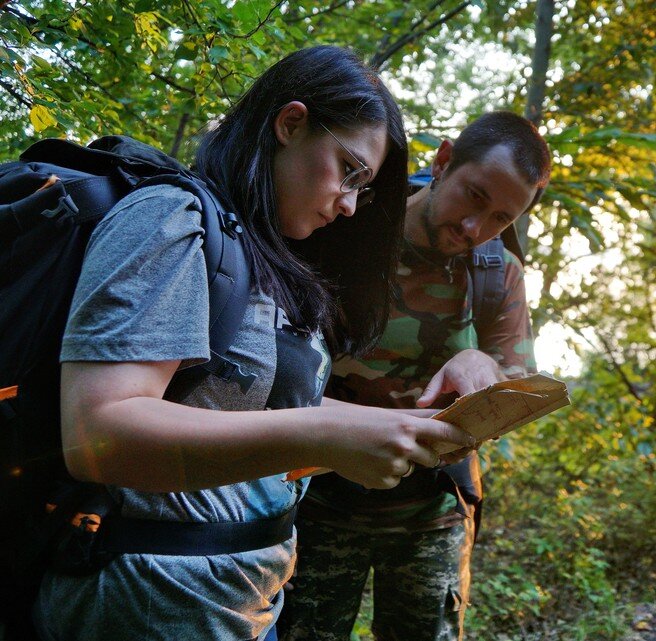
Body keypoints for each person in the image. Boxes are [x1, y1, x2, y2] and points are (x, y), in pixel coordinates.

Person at [32, 46, 474, 641]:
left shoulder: (266, 255)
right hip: (148, 603)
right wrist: (329, 436)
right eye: (348, 169)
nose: (348, 204)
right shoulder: (169, 216)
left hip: (239, 605)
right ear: (290, 124)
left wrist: (396, 427)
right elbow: (98, 435)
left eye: (362, 187)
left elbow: (248, 412)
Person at [281, 111, 552, 641]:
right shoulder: (345, 228)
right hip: (315, 494)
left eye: (501, 218)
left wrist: (485, 365)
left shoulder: (499, 273)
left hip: (430, 506)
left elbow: (521, 383)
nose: (477, 229)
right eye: (475, 197)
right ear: (444, 160)